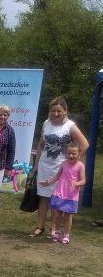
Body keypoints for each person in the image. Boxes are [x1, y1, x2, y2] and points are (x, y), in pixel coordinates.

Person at [30, 96, 88, 238]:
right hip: (44, 165)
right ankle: (40, 227)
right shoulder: (46, 123)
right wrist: (36, 166)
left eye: (59, 111)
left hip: (60, 169)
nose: (55, 114)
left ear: (65, 111)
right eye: (53, 111)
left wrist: (73, 161)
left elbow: (85, 144)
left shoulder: (70, 126)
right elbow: (41, 145)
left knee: (56, 201)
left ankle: (53, 229)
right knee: (43, 197)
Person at [38, 141, 86, 245]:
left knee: (68, 216)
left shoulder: (80, 166)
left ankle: (66, 235)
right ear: (66, 153)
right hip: (60, 193)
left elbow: (83, 180)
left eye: (74, 153)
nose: (71, 155)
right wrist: (48, 182)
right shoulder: (64, 164)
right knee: (57, 214)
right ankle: (57, 232)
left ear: (79, 153)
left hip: (71, 196)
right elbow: (57, 176)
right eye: (69, 153)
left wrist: (76, 183)